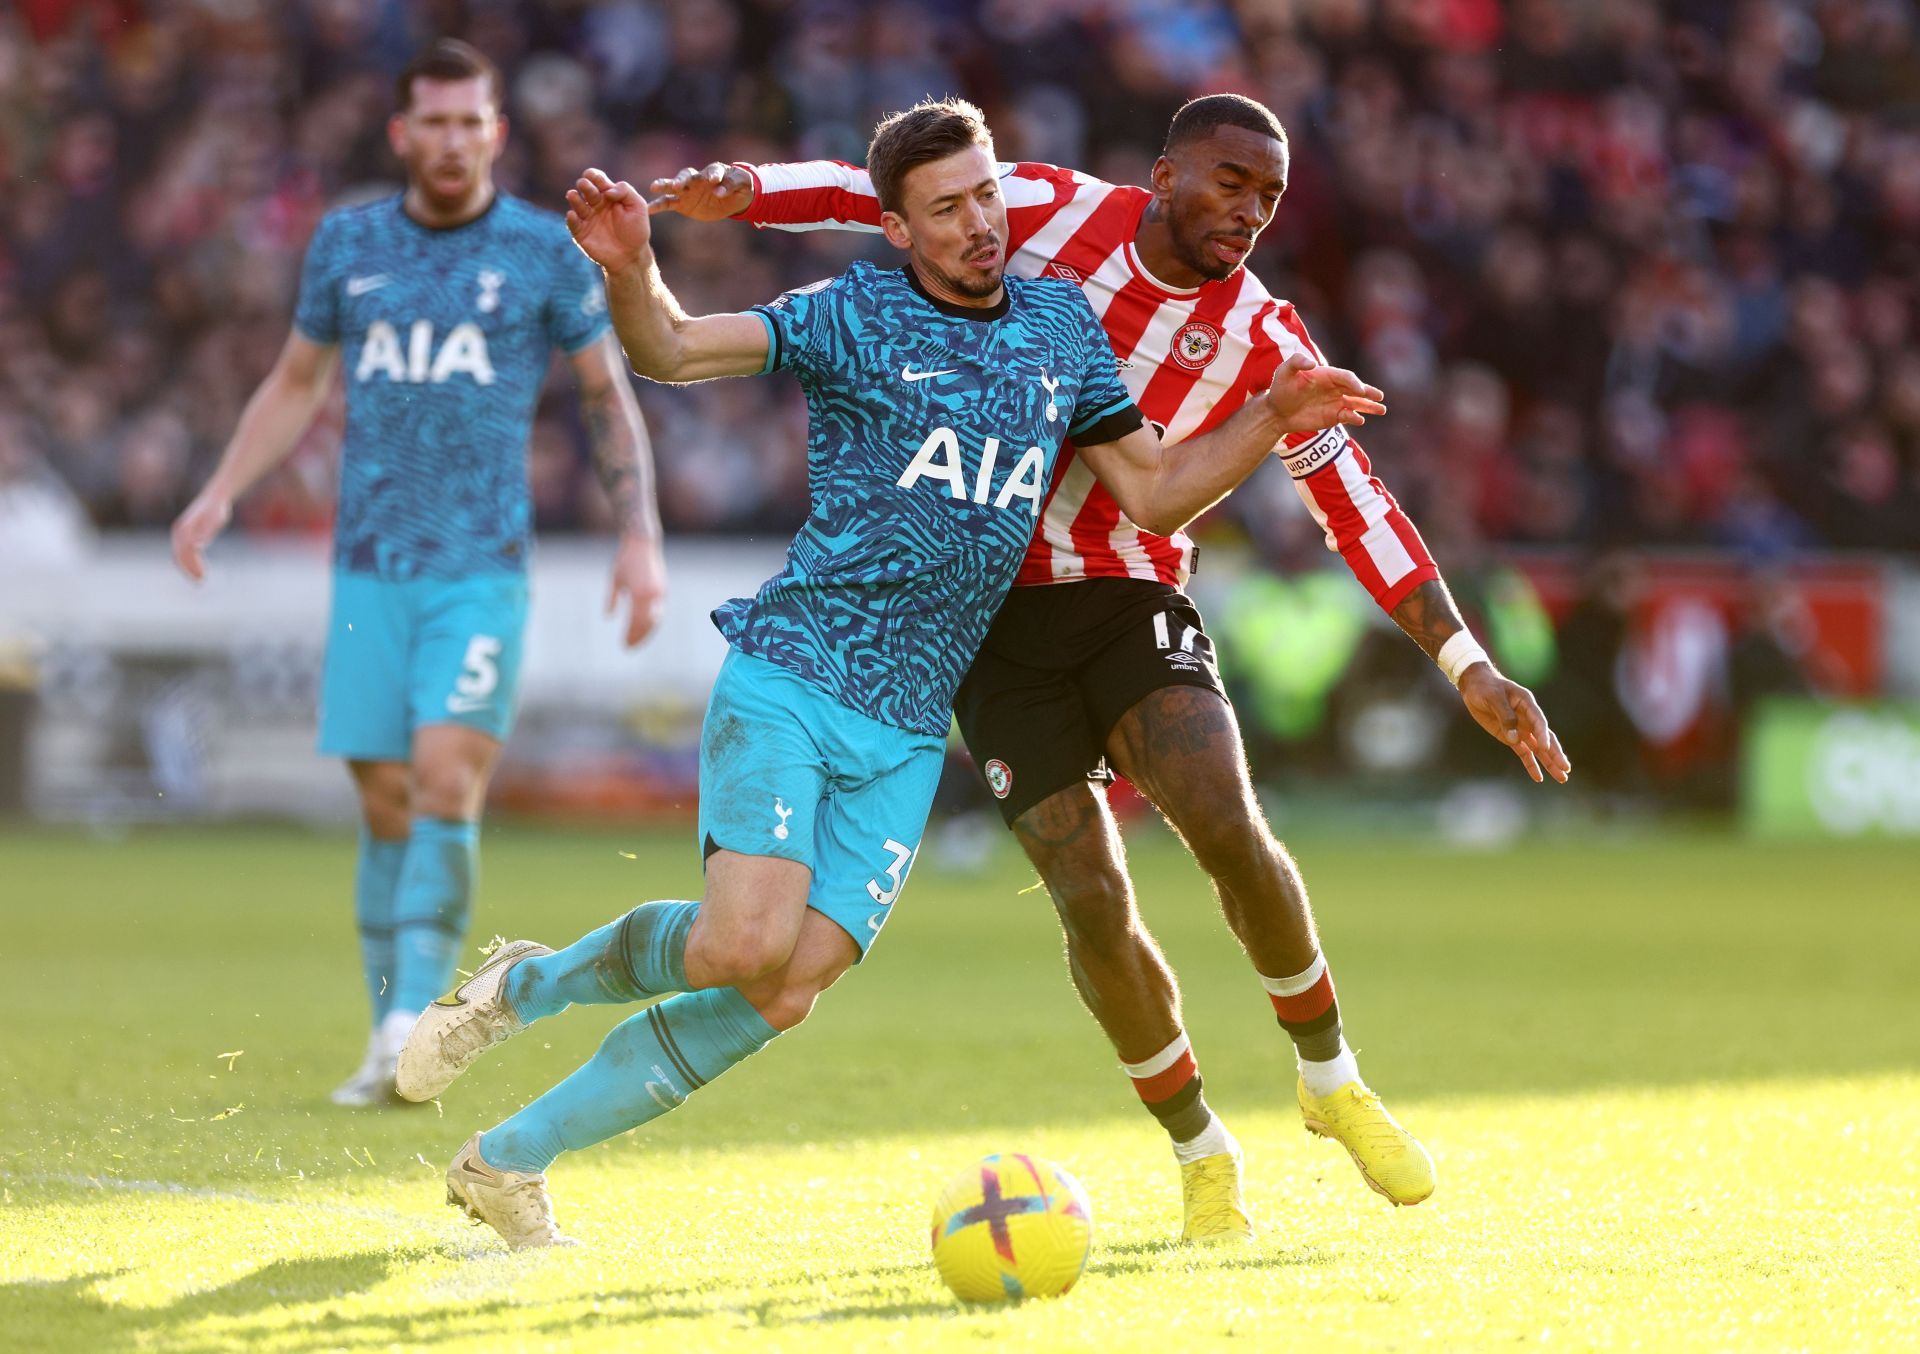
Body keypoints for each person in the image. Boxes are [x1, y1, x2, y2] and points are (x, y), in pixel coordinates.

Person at [393, 98, 1386, 1250]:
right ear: (897, 228)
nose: (980, 224)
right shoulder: (851, 313)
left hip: (914, 723)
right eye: (947, 209)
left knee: (788, 982)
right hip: (800, 670)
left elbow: (1157, 493)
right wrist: (630, 268)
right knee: (740, 946)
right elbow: (670, 348)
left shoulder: (1062, 324)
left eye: (987, 197)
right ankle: (526, 985)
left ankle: (506, 1162)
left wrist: (1270, 412)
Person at [646, 93, 1570, 1234]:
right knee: (1089, 894)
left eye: (1271, 197)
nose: (1250, 211)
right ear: (1166, 173)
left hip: (1132, 587)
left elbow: (1354, 501)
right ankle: (1199, 1146)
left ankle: (1330, 1079)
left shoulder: (1269, 343)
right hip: (987, 617)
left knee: (1222, 814)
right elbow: (869, 190)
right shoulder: (1040, 208)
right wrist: (746, 188)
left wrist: (1467, 661)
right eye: (1231, 182)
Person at [168, 40, 667, 1107]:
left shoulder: (541, 252)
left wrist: (640, 535)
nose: (450, 140)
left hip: (480, 568)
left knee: (444, 777)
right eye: (431, 122)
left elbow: (602, 394)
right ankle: (388, 1021)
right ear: (403, 134)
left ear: (496, 131)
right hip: (369, 570)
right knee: (385, 796)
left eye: (468, 122)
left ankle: (413, 1031)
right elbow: (295, 381)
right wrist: (219, 491)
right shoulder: (349, 244)